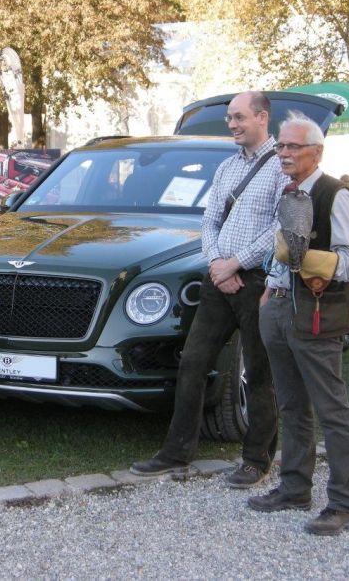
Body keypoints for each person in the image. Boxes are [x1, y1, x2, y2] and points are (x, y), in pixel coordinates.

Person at [130, 91, 281, 488]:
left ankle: (257, 460)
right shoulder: (227, 167)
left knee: (259, 373)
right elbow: (210, 221)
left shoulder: (280, 167)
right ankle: (176, 452)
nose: (232, 124)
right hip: (219, 280)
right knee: (193, 362)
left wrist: (237, 263)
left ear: (262, 117)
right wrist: (217, 264)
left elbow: (280, 229)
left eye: (239, 117)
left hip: (258, 282)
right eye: (230, 117)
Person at [248, 111, 349, 536]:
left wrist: (302, 261)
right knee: (292, 405)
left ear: (317, 152)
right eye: (281, 145)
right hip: (279, 309)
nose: (283, 153)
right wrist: (270, 287)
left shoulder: (335, 194)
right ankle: (295, 488)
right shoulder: (289, 191)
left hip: (317, 314)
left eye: (293, 146)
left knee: (332, 411)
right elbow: (279, 251)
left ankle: (343, 504)